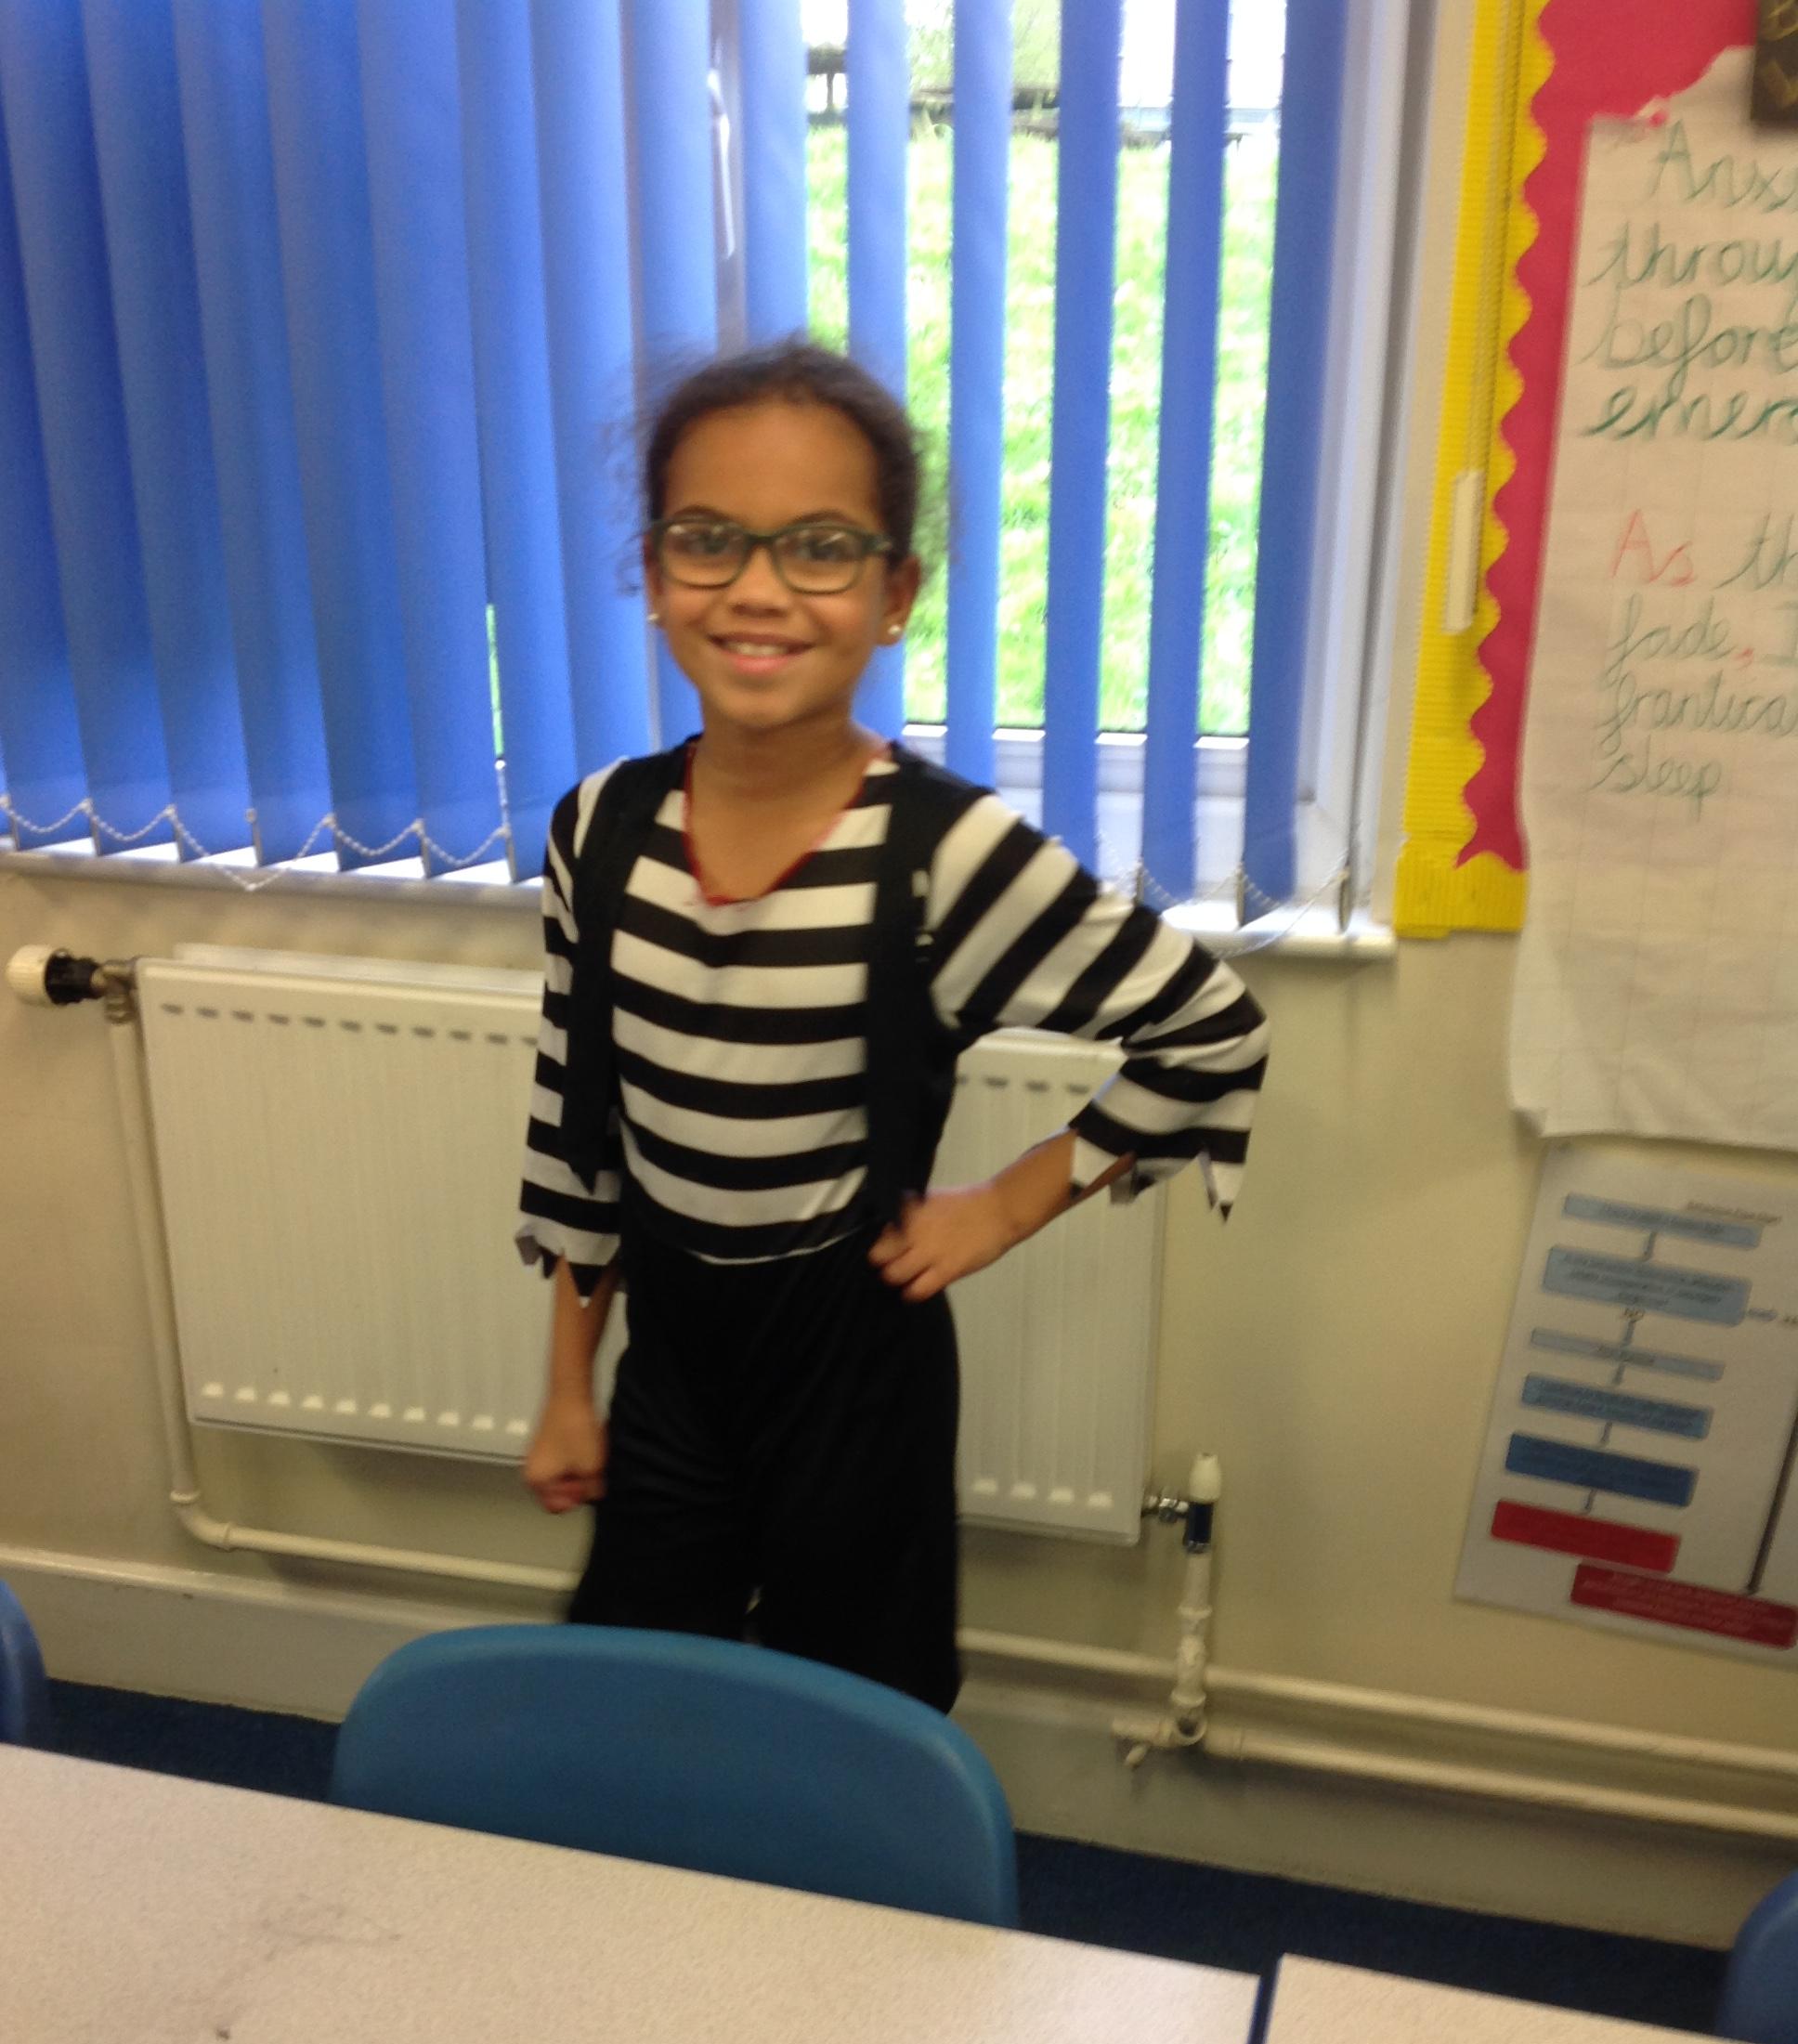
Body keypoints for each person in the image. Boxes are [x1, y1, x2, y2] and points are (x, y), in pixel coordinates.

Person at [516, 337, 1268, 1713]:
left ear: (894, 594)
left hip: (854, 1374)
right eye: (708, 539)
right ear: (655, 572)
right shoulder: (601, 830)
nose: (758, 588)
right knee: (635, 1691)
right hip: (671, 1363)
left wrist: (1012, 1202)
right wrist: (571, 1385)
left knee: (853, 1704)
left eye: (820, 548)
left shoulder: (944, 855)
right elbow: (580, 1135)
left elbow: (1209, 1030)